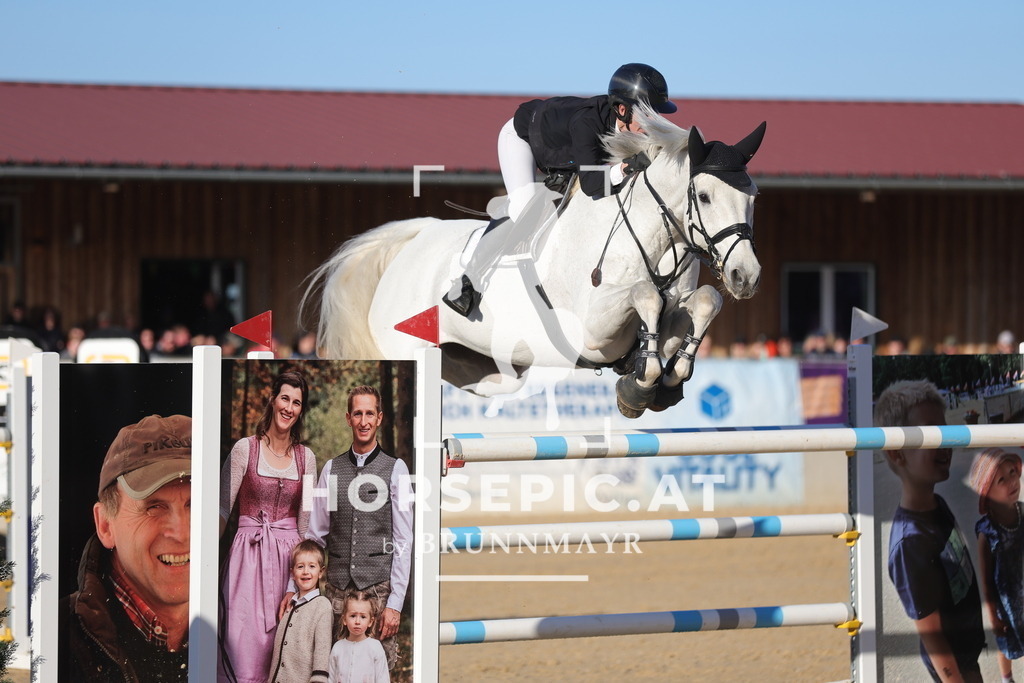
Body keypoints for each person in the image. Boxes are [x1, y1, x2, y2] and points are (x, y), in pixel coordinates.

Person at [443, 63, 677, 317]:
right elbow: (591, 184)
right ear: (623, 109)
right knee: (523, 207)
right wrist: (626, 167)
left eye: (656, 114)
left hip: (565, 155)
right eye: (648, 114)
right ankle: (466, 281)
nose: (654, 122)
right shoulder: (588, 124)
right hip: (522, 139)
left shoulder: (630, 124)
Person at [59, 414, 192, 682]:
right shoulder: (55, 640)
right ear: (105, 525)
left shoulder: (257, 628)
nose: (181, 533)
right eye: (154, 507)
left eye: (195, 504)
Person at [296, 385, 413, 672]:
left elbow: (403, 541)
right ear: (348, 418)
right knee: (332, 669)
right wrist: (300, 590)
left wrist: (395, 603)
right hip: (336, 594)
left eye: (369, 414)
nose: (363, 421)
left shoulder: (396, 469)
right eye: (357, 414)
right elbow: (315, 534)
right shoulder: (330, 469)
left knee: (376, 671)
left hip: (378, 594)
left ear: (379, 418)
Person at [877, 380, 986, 682]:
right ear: (898, 454)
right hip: (954, 669)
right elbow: (932, 637)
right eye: (930, 435)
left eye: (944, 432)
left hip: (967, 655)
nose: (944, 443)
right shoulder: (910, 543)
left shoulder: (937, 504)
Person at [219, 370, 317, 683]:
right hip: (246, 561)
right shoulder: (244, 450)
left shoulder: (307, 459)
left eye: (297, 402)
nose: (289, 407)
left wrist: (301, 582)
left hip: (288, 564)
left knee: (283, 650)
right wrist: (205, 560)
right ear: (273, 400)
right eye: (285, 398)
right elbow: (222, 509)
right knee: (240, 642)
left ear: (301, 410)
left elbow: (306, 524)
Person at [971, 447, 1024, 683]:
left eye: (1012, 472)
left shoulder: (1023, 512)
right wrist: (993, 616)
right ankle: (1007, 678)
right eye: (1001, 479)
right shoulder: (988, 532)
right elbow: (986, 580)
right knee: (1006, 644)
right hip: (1006, 603)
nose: (1012, 481)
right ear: (987, 493)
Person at [267, 541, 334, 683]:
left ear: (321, 572)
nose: (306, 572)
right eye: (300, 566)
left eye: (312, 566)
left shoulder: (322, 606)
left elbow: (322, 649)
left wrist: (319, 679)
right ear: (293, 573)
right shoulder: (290, 606)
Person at [327, 592, 389, 683]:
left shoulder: (375, 647)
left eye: (363, 617)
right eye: (353, 616)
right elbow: (331, 679)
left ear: (370, 622)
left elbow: (383, 679)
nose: (357, 621)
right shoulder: (338, 647)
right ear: (344, 619)